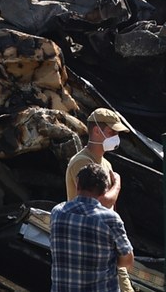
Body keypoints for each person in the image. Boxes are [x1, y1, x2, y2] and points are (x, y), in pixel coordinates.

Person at [64, 108, 132, 292]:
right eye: (112, 132)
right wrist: (117, 183)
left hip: (108, 245)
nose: (116, 137)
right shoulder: (82, 162)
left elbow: (111, 209)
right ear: (96, 131)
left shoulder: (105, 163)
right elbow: (101, 203)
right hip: (90, 247)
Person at [50, 163, 134, 292]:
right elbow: (127, 260)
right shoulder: (110, 220)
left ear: (77, 185)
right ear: (105, 190)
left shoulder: (57, 213)